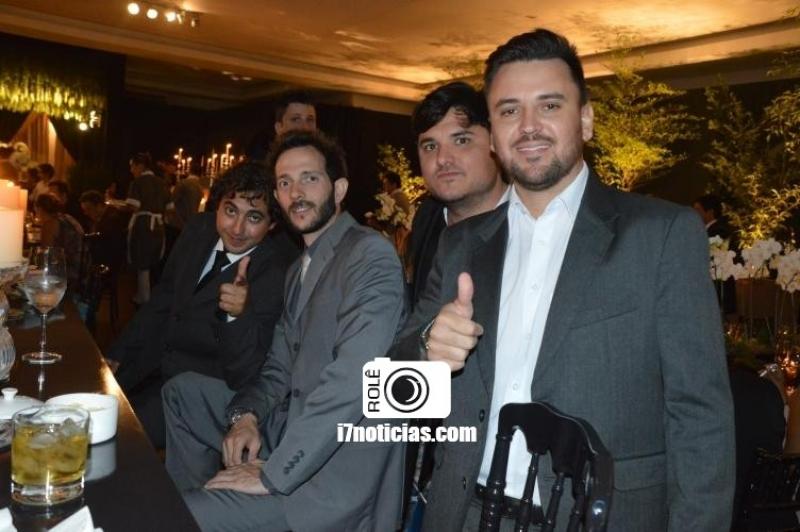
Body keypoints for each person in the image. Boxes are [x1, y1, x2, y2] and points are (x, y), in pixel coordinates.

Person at [389, 29, 735, 531]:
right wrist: (426, 348)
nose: (528, 126)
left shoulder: (660, 235)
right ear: (494, 135)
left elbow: (700, 417)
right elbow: (390, 394)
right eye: (509, 110)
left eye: (549, 105)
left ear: (586, 120)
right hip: (462, 516)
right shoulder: (460, 244)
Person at [162, 131, 406, 531]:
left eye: (310, 178)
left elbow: (358, 379)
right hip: (290, 428)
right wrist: (246, 416)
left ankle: (197, 512)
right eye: (285, 182)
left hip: (333, 473)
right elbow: (277, 368)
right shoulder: (298, 270)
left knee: (181, 515)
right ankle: (206, 503)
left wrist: (272, 474)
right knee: (183, 391)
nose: (297, 193)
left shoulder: (369, 254)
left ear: (339, 189)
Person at [108, 161, 298, 448]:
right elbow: (163, 298)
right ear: (217, 206)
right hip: (148, 365)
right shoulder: (199, 229)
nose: (237, 228)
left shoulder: (276, 274)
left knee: (120, 441)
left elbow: (247, 372)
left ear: (272, 225)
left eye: (254, 217)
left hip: (198, 396)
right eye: (230, 211)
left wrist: (239, 315)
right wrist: (120, 351)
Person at [407, 81, 508, 309]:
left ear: (496, 143)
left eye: (461, 141)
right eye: (430, 146)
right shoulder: (427, 218)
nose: (442, 159)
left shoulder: (532, 222)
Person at [125, 152, 171, 304]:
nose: (131, 170)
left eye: (132, 166)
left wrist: (120, 205)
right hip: (159, 225)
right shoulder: (162, 183)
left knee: (142, 260)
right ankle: (152, 296)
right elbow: (170, 208)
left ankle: (144, 297)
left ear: (140, 166)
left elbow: (133, 206)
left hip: (143, 225)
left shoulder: (138, 182)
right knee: (154, 260)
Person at [694, 193, 737, 315]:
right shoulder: (709, 230)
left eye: (698, 210)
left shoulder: (719, 231)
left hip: (718, 285)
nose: (694, 214)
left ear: (710, 212)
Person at [34, 193, 84, 296]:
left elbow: (44, 257)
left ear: (39, 209)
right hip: (81, 270)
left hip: (65, 274)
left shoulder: (50, 224)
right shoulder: (68, 218)